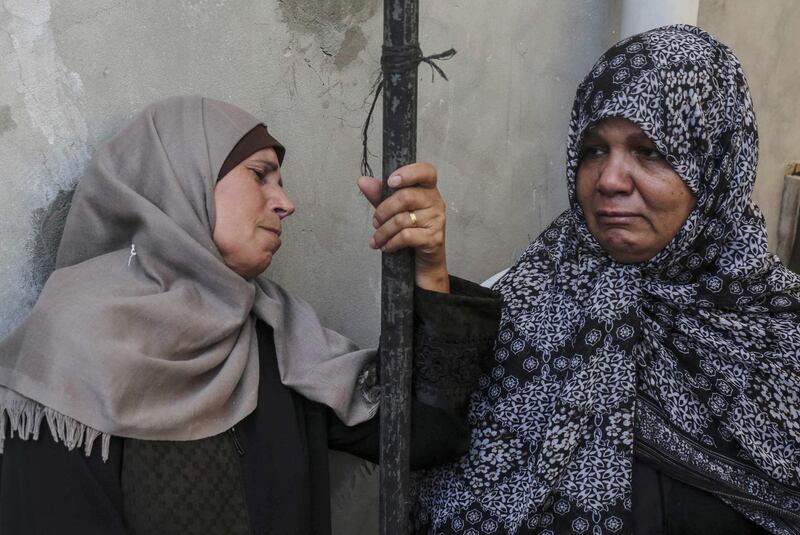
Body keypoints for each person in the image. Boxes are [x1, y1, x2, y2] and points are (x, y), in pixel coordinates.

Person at [0, 95, 503, 534]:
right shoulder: (72, 346)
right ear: (182, 180)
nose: (285, 202)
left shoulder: (277, 334)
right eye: (260, 175)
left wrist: (430, 265)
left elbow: (422, 434)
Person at [414, 25, 800, 535]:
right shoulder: (519, 301)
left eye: (649, 151)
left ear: (716, 164)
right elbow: (419, 435)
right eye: (594, 150)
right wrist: (428, 280)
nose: (610, 180)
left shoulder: (781, 329)